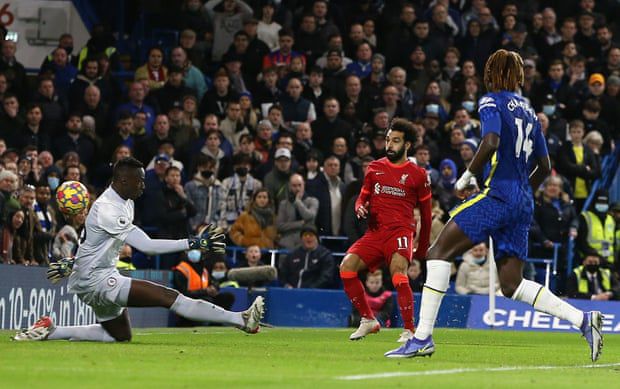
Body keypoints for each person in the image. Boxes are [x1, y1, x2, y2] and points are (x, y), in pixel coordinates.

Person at [385, 50, 603, 362]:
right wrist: (522, 193)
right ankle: (584, 320)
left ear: (491, 74)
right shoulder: (529, 112)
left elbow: (490, 141)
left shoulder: (491, 101)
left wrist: (468, 175)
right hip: (522, 201)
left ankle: (422, 338)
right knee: (512, 284)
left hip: (498, 195)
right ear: (518, 76)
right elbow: (544, 165)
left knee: (437, 253)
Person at [14, 157, 264, 342]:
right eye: (140, 180)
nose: (144, 185)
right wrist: (194, 242)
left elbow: (93, 242)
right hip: (98, 280)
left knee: (119, 336)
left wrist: (73, 263)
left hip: (91, 277)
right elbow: (148, 246)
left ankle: (51, 330)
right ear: (123, 180)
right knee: (171, 298)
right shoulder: (108, 209)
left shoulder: (124, 202)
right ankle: (241, 320)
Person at [340, 118, 432, 342]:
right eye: (388, 140)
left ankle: (410, 330)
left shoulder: (418, 175)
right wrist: (360, 207)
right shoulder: (374, 168)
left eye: (395, 141)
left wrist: (422, 247)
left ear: (407, 145)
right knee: (346, 268)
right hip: (375, 232)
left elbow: (427, 215)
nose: (389, 145)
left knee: (399, 276)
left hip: (400, 232)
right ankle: (368, 319)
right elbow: (363, 196)